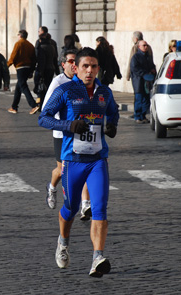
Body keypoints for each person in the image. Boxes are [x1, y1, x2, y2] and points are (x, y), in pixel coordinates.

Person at [38, 47, 119, 277]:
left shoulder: (105, 93)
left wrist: (112, 126)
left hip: (97, 160)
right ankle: (63, 242)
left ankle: (97, 257)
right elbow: (43, 118)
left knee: (100, 209)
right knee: (71, 208)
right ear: (76, 68)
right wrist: (69, 126)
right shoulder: (65, 91)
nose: (90, 71)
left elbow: (113, 114)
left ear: (98, 69)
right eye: (85, 66)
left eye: (94, 66)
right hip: (72, 160)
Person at [43, 49, 92, 220]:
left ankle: (85, 205)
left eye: (75, 61)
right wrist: (65, 123)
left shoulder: (84, 82)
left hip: (82, 133)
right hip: (61, 133)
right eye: (70, 61)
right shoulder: (58, 83)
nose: (73, 64)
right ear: (63, 64)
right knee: (61, 169)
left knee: (85, 165)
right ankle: (52, 187)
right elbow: (45, 111)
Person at [7, 30, 39, 114]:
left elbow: (13, 56)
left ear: (20, 35)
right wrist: (31, 71)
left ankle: (33, 105)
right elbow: (34, 59)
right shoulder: (30, 45)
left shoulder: (18, 44)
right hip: (28, 68)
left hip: (20, 68)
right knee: (19, 86)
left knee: (23, 86)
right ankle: (14, 107)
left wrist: (6, 65)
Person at [130, 40, 156, 123]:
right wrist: (144, 73)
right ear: (139, 47)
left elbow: (152, 65)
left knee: (146, 99)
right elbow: (134, 68)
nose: (145, 47)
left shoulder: (148, 56)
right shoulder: (136, 57)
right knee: (139, 99)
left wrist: (152, 70)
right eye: (144, 45)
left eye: (146, 45)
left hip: (147, 81)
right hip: (139, 81)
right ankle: (137, 116)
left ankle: (143, 115)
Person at [35, 30, 59, 109]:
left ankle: (43, 105)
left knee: (43, 89)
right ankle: (48, 104)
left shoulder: (42, 47)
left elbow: (42, 61)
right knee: (48, 87)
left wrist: (40, 72)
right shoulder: (51, 46)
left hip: (45, 69)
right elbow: (55, 59)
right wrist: (57, 71)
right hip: (51, 69)